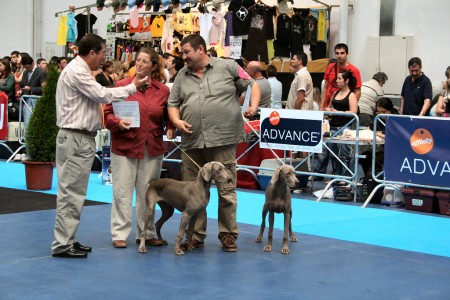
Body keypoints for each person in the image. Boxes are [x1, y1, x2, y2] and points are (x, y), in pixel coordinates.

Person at [52, 33, 148, 259]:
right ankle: (63, 244)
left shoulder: (80, 70)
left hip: (78, 137)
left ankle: (67, 240)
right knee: (71, 193)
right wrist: (132, 87)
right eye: (103, 52)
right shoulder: (77, 72)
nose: (104, 56)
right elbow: (103, 95)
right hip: (76, 138)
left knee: (74, 192)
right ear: (92, 53)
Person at [168, 34, 260, 252]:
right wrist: (176, 121)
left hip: (223, 139)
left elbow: (253, 85)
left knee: (226, 190)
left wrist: (253, 107)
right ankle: (195, 235)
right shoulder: (182, 75)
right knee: (193, 192)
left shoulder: (228, 66)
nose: (183, 57)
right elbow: (172, 103)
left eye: (186, 52)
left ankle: (228, 234)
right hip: (192, 141)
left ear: (201, 49)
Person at [104, 47, 176, 249]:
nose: (140, 64)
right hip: (124, 145)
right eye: (138, 60)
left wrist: (170, 128)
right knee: (122, 190)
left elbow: (167, 115)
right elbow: (108, 113)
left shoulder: (163, 90)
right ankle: (119, 233)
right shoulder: (121, 86)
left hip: (151, 146)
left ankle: (147, 232)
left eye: (145, 61)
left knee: (148, 192)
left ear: (154, 66)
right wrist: (117, 123)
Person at [314, 70, 358, 178]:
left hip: (344, 127)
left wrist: (339, 113)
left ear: (346, 81)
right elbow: (330, 106)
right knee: (331, 153)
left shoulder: (351, 95)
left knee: (343, 154)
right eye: (337, 78)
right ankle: (333, 175)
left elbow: (353, 112)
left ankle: (343, 176)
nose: (336, 81)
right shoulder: (335, 93)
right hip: (332, 125)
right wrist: (328, 109)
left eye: (339, 78)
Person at [359, 97, 398, 176]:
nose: (380, 114)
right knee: (364, 157)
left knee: (375, 158)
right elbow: (369, 128)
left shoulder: (396, 119)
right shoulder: (377, 118)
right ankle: (369, 179)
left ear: (390, 109)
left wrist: (383, 136)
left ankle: (376, 177)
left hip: (393, 150)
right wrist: (368, 133)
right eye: (378, 112)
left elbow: (398, 137)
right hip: (379, 148)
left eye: (383, 111)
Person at [321, 43, 362, 110]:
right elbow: (325, 87)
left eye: (342, 53)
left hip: (344, 105)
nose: (339, 56)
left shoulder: (354, 70)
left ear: (347, 54)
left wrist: (351, 108)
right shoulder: (330, 66)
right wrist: (321, 106)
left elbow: (358, 92)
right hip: (329, 105)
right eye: (337, 53)